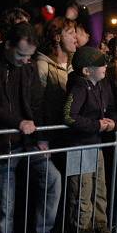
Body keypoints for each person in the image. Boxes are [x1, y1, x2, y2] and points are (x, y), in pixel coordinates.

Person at [0, 22, 63, 233]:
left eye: (29, 56)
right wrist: (18, 122)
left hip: (28, 140)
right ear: (7, 45)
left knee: (52, 180)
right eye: (20, 54)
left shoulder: (27, 68)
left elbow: (36, 103)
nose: (25, 60)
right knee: (5, 203)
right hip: (4, 142)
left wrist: (41, 138)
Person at [62, 46, 117, 233]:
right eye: (100, 64)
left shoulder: (103, 84)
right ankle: (82, 230)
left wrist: (113, 123)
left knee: (99, 187)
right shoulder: (78, 87)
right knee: (82, 189)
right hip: (80, 146)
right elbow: (69, 116)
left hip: (96, 144)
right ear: (87, 71)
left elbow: (112, 109)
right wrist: (96, 125)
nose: (105, 66)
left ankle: (100, 225)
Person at [35, 17, 77, 146]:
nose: (76, 37)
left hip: (71, 133)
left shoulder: (76, 64)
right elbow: (37, 104)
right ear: (57, 37)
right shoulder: (42, 65)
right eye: (70, 33)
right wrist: (41, 136)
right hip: (52, 134)